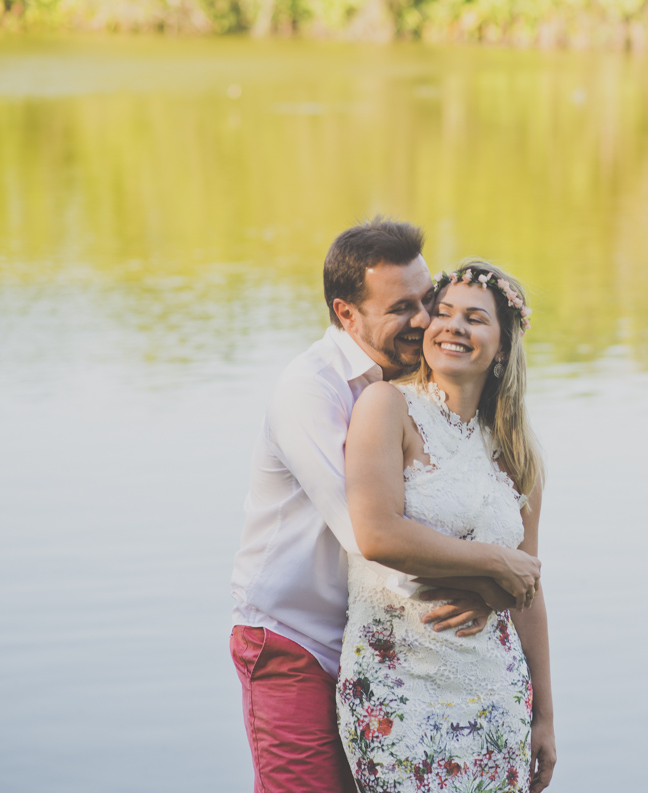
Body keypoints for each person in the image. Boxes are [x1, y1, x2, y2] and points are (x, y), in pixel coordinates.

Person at [230, 219, 541, 793]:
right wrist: (496, 577)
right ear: (347, 314)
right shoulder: (311, 389)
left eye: (427, 300)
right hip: (296, 640)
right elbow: (368, 535)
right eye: (404, 307)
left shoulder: (411, 386)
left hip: (385, 643)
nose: (425, 320)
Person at [338, 260, 556, 793]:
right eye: (443, 313)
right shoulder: (386, 407)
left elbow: (529, 590)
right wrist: (495, 565)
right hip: (400, 690)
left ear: (502, 346)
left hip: (497, 694)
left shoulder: (516, 454)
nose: (454, 327)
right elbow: (378, 535)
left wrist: (545, 715)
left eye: (475, 318)